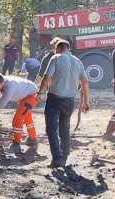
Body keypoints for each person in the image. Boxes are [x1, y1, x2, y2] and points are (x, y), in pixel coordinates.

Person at [38, 39, 89, 169]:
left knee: (51, 129)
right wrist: (85, 102)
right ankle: (64, 156)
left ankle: (57, 158)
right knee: (64, 129)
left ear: (57, 48)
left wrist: (39, 92)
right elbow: (85, 83)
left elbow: (47, 76)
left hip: (54, 98)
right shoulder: (78, 61)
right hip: (69, 100)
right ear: (69, 49)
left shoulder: (55, 58)